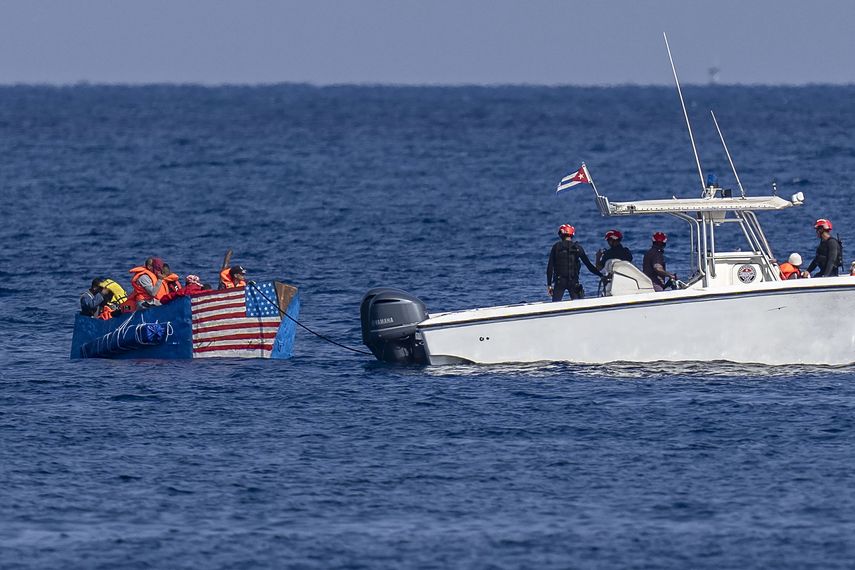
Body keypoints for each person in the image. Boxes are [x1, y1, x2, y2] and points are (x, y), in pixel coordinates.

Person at [546, 224, 602, 301]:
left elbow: (550, 267)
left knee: (555, 304)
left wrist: (549, 285)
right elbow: (589, 265)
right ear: (572, 234)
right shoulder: (578, 248)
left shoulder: (556, 247)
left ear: (561, 234)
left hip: (559, 282)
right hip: (573, 281)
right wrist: (601, 275)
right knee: (578, 305)